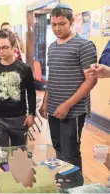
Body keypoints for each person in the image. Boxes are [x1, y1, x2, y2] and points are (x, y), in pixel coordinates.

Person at [39, 4, 97, 170]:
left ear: (72, 22)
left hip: (73, 111)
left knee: (70, 152)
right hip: (53, 108)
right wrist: (45, 102)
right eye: (54, 24)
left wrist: (67, 104)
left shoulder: (84, 45)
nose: (57, 28)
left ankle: (74, 188)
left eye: (62, 24)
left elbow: (91, 80)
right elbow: (53, 77)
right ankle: (63, 183)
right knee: (57, 148)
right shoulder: (52, 47)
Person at [0, 30, 36, 146]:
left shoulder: (24, 68)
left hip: (19, 118)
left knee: (19, 154)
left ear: (14, 47)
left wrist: (32, 114)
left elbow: (31, 92)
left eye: (5, 47)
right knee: (0, 155)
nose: (1, 51)